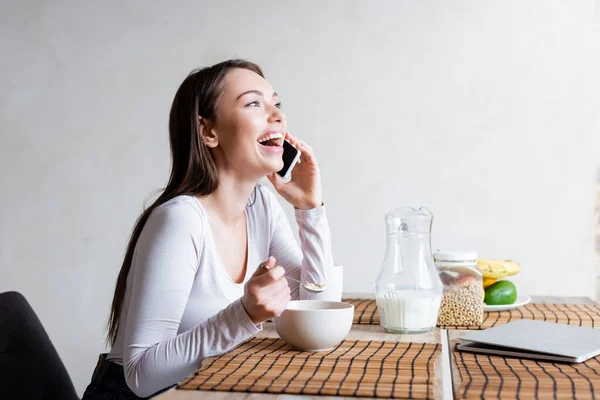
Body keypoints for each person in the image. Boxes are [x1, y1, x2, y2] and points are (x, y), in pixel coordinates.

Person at [82, 59, 333, 399]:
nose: (277, 116)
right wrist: (244, 314)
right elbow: (140, 375)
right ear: (208, 132)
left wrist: (309, 210)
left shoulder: (261, 206)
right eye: (254, 103)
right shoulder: (180, 220)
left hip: (203, 389)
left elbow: (316, 307)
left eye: (276, 103)